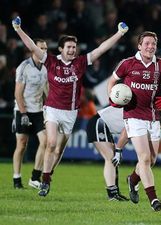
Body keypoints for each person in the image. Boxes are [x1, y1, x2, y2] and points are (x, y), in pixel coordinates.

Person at [12, 16, 129, 197]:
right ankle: (44, 181)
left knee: (58, 150)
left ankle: (48, 175)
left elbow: (101, 49)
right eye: (69, 47)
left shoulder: (80, 62)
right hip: (52, 109)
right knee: (50, 143)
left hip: (71, 112)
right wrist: (18, 29)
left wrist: (119, 34)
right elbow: (31, 46)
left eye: (74, 47)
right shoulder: (51, 61)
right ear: (61, 49)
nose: (72, 49)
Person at [107, 31, 161, 211]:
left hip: (153, 116)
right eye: (146, 43)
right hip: (133, 115)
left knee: (152, 160)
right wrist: (112, 97)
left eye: (153, 43)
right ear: (139, 46)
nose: (150, 46)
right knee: (145, 158)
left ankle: (132, 179)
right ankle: (153, 199)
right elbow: (112, 82)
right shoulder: (127, 63)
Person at [86, 106, 161, 201]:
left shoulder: (146, 112)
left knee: (113, 158)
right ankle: (112, 194)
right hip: (99, 122)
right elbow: (126, 132)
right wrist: (119, 150)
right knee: (110, 157)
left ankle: (115, 193)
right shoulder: (144, 116)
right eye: (160, 128)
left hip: (103, 124)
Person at [12, 39, 48, 189]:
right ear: (34, 49)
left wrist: (49, 106)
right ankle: (16, 178)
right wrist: (23, 113)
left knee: (45, 142)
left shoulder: (46, 68)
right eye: (41, 48)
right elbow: (18, 93)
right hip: (23, 110)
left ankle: (34, 177)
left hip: (38, 110)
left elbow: (47, 89)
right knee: (21, 145)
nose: (44, 51)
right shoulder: (24, 67)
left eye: (45, 49)